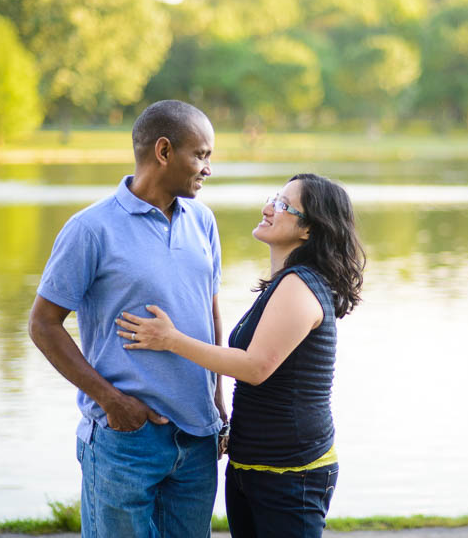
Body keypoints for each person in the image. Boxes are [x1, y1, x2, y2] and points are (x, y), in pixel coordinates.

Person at [116, 173, 365, 537]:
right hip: (253, 466)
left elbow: (256, 367)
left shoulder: (300, 286)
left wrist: (171, 340)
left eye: (283, 205)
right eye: (274, 198)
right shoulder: (284, 283)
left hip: (291, 474)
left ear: (309, 230)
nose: (268, 208)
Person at [28, 100, 228, 538]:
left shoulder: (203, 221)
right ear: (163, 151)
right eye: (201, 154)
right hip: (125, 442)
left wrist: (217, 400)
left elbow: (208, 308)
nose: (208, 168)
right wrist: (112, 402)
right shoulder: (90, 229)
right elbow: (42, 324)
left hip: (197, 440)